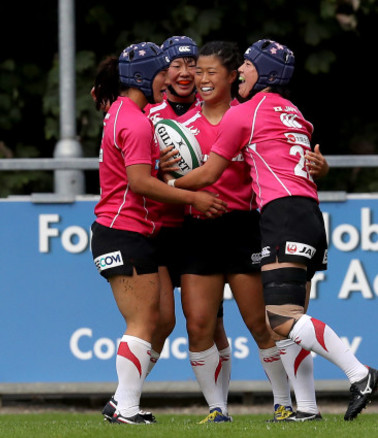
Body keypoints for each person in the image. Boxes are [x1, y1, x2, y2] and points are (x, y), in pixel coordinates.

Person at [168, 39, 377, 421]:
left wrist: (164, 187)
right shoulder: (294, 113)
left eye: (246, 65)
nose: (241, 70)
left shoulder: (244, 113)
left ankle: (360, 374)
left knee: (280, 319)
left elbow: (210, 173)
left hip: (282, 215)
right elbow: (304, 156)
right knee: (286, 321)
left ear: (261, 73)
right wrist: (322, 167)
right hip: (310, 214)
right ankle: (307, 410)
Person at [90, 41, 227, 424]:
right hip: (124, 230)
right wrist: (194, 199)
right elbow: (139, 184)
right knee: (143, 323)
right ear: (140, 76)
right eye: (161, 72)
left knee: (163, 320)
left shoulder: (122, 112)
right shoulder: (134, 120)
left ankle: (121, 401)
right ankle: (126, 409)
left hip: (134, 231)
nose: (167, 80)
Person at [176, 41, 295, 423]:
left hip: (244, 227)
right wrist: (173, 183)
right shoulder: (179, 128)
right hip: (198, 230)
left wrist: (316, 164)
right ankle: (217, 408)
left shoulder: (251, 116)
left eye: (212, 72)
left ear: (232, 77)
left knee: (261, 323)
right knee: (198, 326)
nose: (203, 79)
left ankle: (283, 402)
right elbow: (164, 177)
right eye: (199, 71)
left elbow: (283, 154)